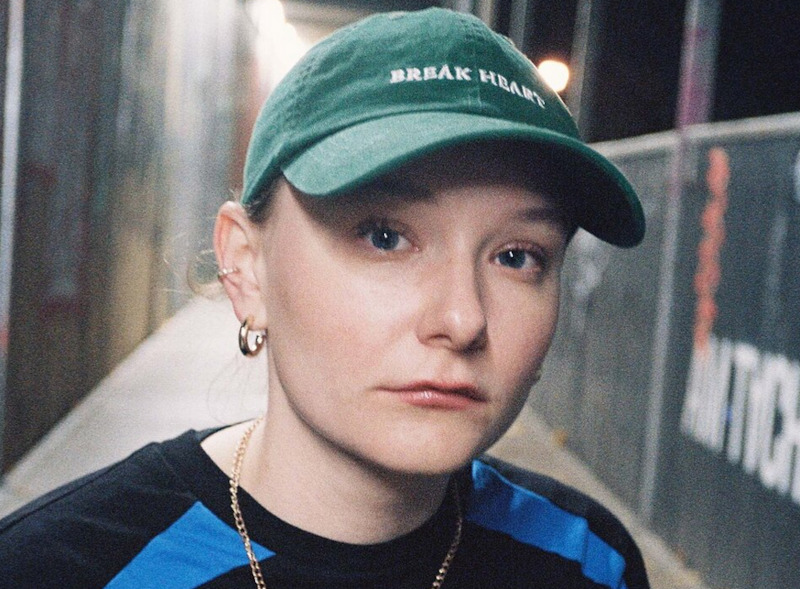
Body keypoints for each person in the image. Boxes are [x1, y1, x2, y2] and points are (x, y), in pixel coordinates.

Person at [0, 8, 648, 588]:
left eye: (517, 256)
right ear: (246, 268)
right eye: (384, 236)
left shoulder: (588, 562)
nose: (462, 319)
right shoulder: (58, 569)